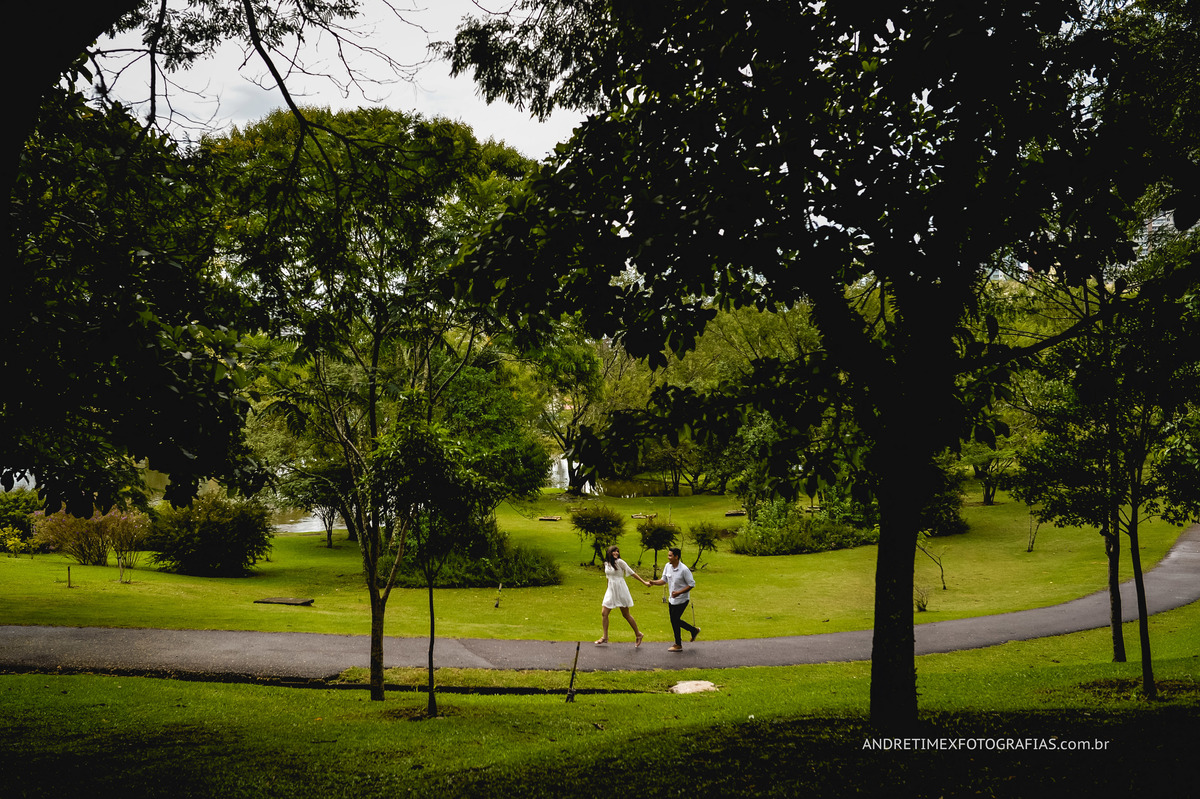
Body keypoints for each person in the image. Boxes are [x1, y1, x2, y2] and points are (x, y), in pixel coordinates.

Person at [595, 544, 651, 646]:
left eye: (617, 551)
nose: (616, 553)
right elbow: (608, 578)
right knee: (604, 613)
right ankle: (605, 637)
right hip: (611, 590)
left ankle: (638, 634)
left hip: (621, 589)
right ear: (610, 552)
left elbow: (632, 572)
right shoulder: (606, 563)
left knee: (625, 614)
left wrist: (644, 582)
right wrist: (608, 590)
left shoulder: (620, 562)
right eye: (614, 551)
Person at [648, 546, 699, 652]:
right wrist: (654, 582)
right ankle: (693, 631)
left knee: (675, 620)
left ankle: (678, 644)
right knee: (674, 620)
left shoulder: (684, 570)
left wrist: (679, 593)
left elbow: (691, 584)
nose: (668, 557)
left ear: (676, 557)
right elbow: (664, 580)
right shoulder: (668, 566)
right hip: (672, 599)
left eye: (670, 555)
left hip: (682, 599)